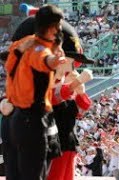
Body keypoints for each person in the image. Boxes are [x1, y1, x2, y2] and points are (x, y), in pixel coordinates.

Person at [2, 5, 65, 179]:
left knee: (16, 173)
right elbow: (44, 61)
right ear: (52, 27)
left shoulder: (22, 45)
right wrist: (55, 60)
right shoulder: (39, 49)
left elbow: (9, 64)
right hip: (33, 119)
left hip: (17, 119)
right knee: (34, 174)